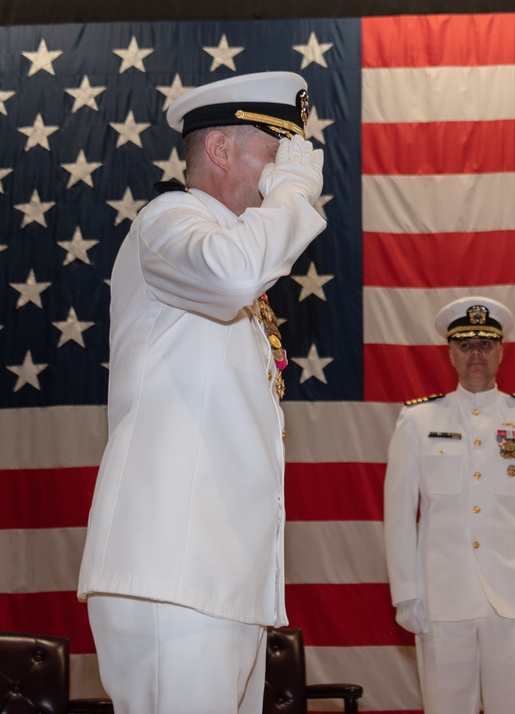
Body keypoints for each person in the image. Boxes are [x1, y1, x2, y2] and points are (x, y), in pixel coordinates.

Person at [77, 71, 327, 713]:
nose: (288, 167)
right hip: (173, 574)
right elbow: (233, 271)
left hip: (220, 583)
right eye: (278, 148)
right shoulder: (169, 220)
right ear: (219, 150)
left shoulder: (237, 259)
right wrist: (296, 189)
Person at [383, 296, 515, 714]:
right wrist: (406, 593)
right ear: (450, 352)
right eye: (465, 345)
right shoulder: (418, 421)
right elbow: (398, 517)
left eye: (485, 345)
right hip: (440, 598)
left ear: (501, 351)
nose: (475, 354)